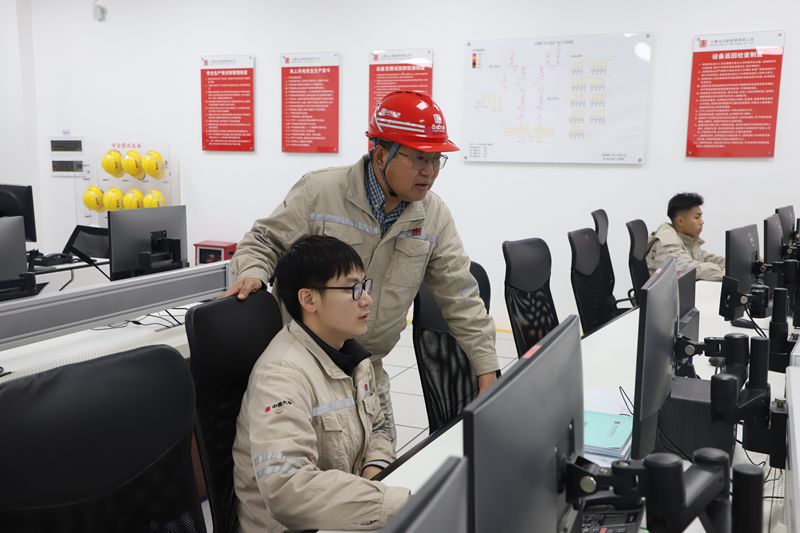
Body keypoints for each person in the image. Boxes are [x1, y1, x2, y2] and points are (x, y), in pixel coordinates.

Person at [226, 90, 500, 442]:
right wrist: (253, 271)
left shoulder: (434, 216)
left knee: (381, 462)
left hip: (368, 371)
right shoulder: (319, 192)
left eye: (436, 160)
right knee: (316, 467)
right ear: (381, 154)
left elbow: (461, 296)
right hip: (305, 370)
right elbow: (264, 240)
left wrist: (487, 368)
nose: (430, 172)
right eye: (419, 158)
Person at [232, 235, 410, 533]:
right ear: (309, 299)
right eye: (352, 289)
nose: (366, 299)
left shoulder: (353, 356)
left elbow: (378, 428)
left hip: (342, 515)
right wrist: (388, 504)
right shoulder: (281, 376)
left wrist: (373, 475)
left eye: (364, 286)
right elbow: (286, 489)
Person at [647, 192, 725, 281]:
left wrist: (732, 266)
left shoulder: (686, 239)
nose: (702, 222)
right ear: (680, 221)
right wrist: (724, 274)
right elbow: (687, 269)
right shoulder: (666, 240)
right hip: (665, 290)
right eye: (697, 217)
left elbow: (707, 258)